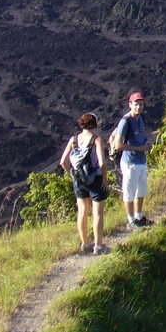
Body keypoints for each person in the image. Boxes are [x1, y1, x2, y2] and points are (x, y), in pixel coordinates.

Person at [59, 113, 110, 255]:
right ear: (95, 124)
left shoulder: (73, 139)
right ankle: (98, 246)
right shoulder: (96, 139)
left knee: (82, 211)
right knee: (97, 213)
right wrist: (105, 180)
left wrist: (72, 174)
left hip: (78, 180)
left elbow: (63, 161)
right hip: (95, 179)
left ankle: (85, 243)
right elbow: (102, 163)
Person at [112, 91, 153, 228]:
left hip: (141, 161)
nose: (139, 107)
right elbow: (118, 145)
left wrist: (146, 144)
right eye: (136, 104)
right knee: (129, 192)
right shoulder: (126, 121)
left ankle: (139, 216)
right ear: (130, 105)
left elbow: (141, 135)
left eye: (141, 104)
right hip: (130, 162)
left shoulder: (140, 119)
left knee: (141, 191)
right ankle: (130, 220)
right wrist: (139, 148)